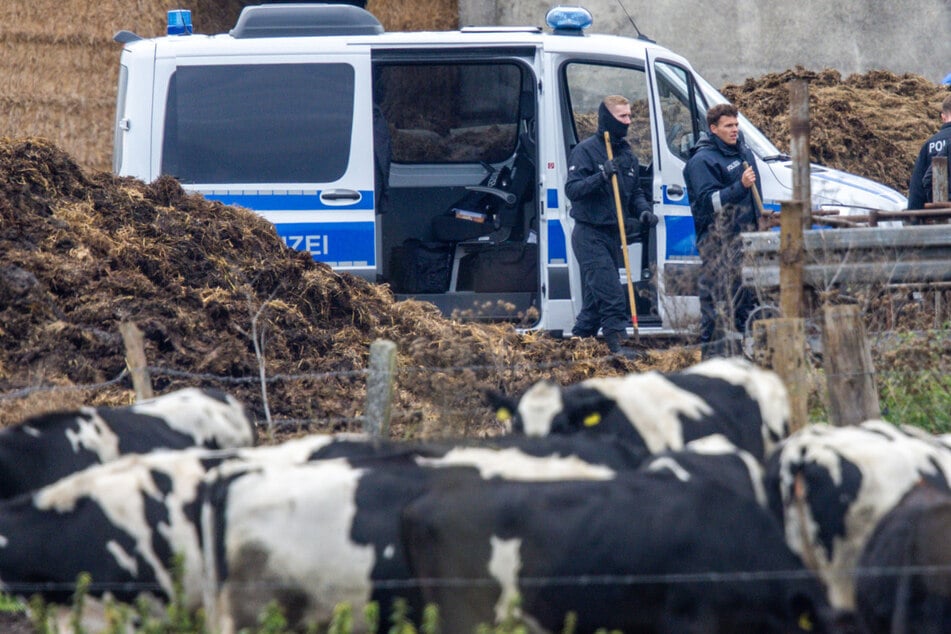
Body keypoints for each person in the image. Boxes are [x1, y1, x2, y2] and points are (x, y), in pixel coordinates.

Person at [565, 95, 657, 355]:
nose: (628, 121)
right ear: (607, 118)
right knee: (612, 295)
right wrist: (602, 175)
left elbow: (635, 191)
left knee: (596, 302)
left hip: (613, 236)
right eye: (622, 117)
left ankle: (576, 346)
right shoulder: (585, 151)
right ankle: (621, 348)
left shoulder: (627, 154)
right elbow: (572, 190)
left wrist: (644, 212)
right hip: (589, 234)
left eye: (629, 116)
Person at [683, 102, 762, 359]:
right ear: (713, 129)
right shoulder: (701, 162)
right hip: (717, 242)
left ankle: (743, 357)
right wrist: (739, 185)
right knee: (716, 303)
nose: (734, 130)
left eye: (737, 125)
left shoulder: (744, 153)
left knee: (745, 301)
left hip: (745, 240)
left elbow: (753, 198)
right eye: (728, 126)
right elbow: (708, 203)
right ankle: (711, 360)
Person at [907, 94, 951, 211]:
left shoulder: (929, 145)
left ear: (943, 117)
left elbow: (917, 189)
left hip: (939, 217)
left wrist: (915, 221)